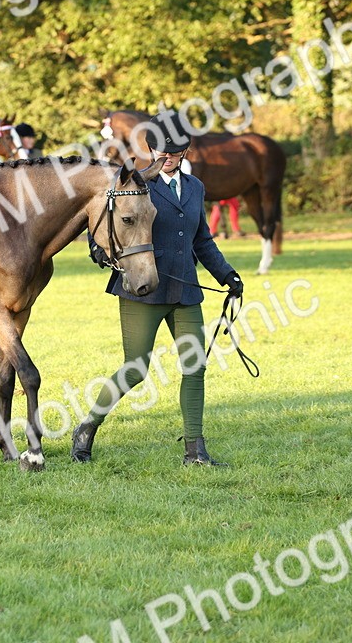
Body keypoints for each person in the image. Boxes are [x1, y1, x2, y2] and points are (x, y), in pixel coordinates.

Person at [74, 111, 244, 467]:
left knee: (195, 366)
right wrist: (99, 253)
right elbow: (100, 229)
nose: (169, 160)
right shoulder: (134, 184)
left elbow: (203, 240)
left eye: (177, 154)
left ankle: (195, 451)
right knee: (135, 369)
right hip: (142, 289)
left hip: (184, 291)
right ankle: (88, 425)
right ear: (151, 150)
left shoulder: (195, 188)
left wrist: (226, 275)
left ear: (186, 152)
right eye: (163, 153)